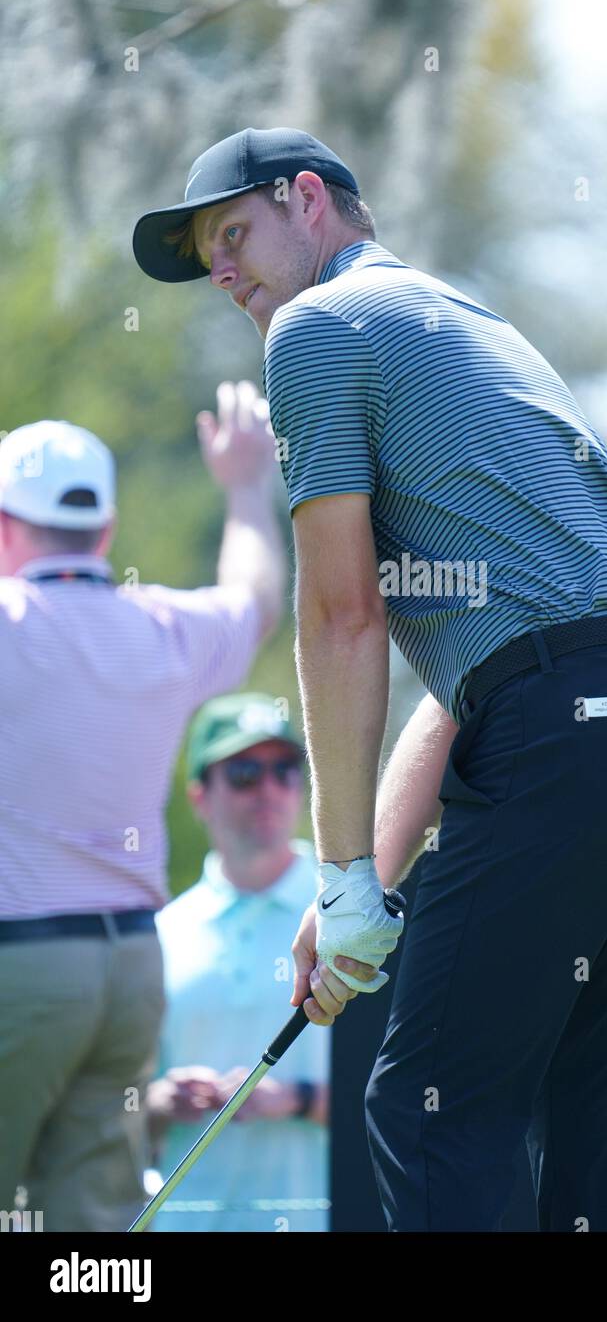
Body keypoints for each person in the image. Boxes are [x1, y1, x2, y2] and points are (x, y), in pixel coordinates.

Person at [133, 126, 607, 1232]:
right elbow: (475, 682)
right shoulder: (458, 315)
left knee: (431, 1115)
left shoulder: (314, 326)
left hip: (571, 720)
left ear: (307, 198)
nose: (222, 273)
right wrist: (353, 878)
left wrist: (340, 869)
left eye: (232, 234)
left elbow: (339, 614)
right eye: (207, 257)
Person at [0, 388, 286, 1232]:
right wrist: (243, 486)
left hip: (22, 963)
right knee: (88, 1228)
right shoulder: (161, 627)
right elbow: (257, 593)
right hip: (129, 966)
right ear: (108, 531)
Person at [146, 692, 330, 1233]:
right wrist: (159, 1101)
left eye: (284, 769)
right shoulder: (162, 933)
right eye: (245, 772)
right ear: (200, 796)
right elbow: (107, 1107)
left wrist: (295, 1100)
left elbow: (408, 1096)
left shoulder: (348, 919)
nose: (269, 789)